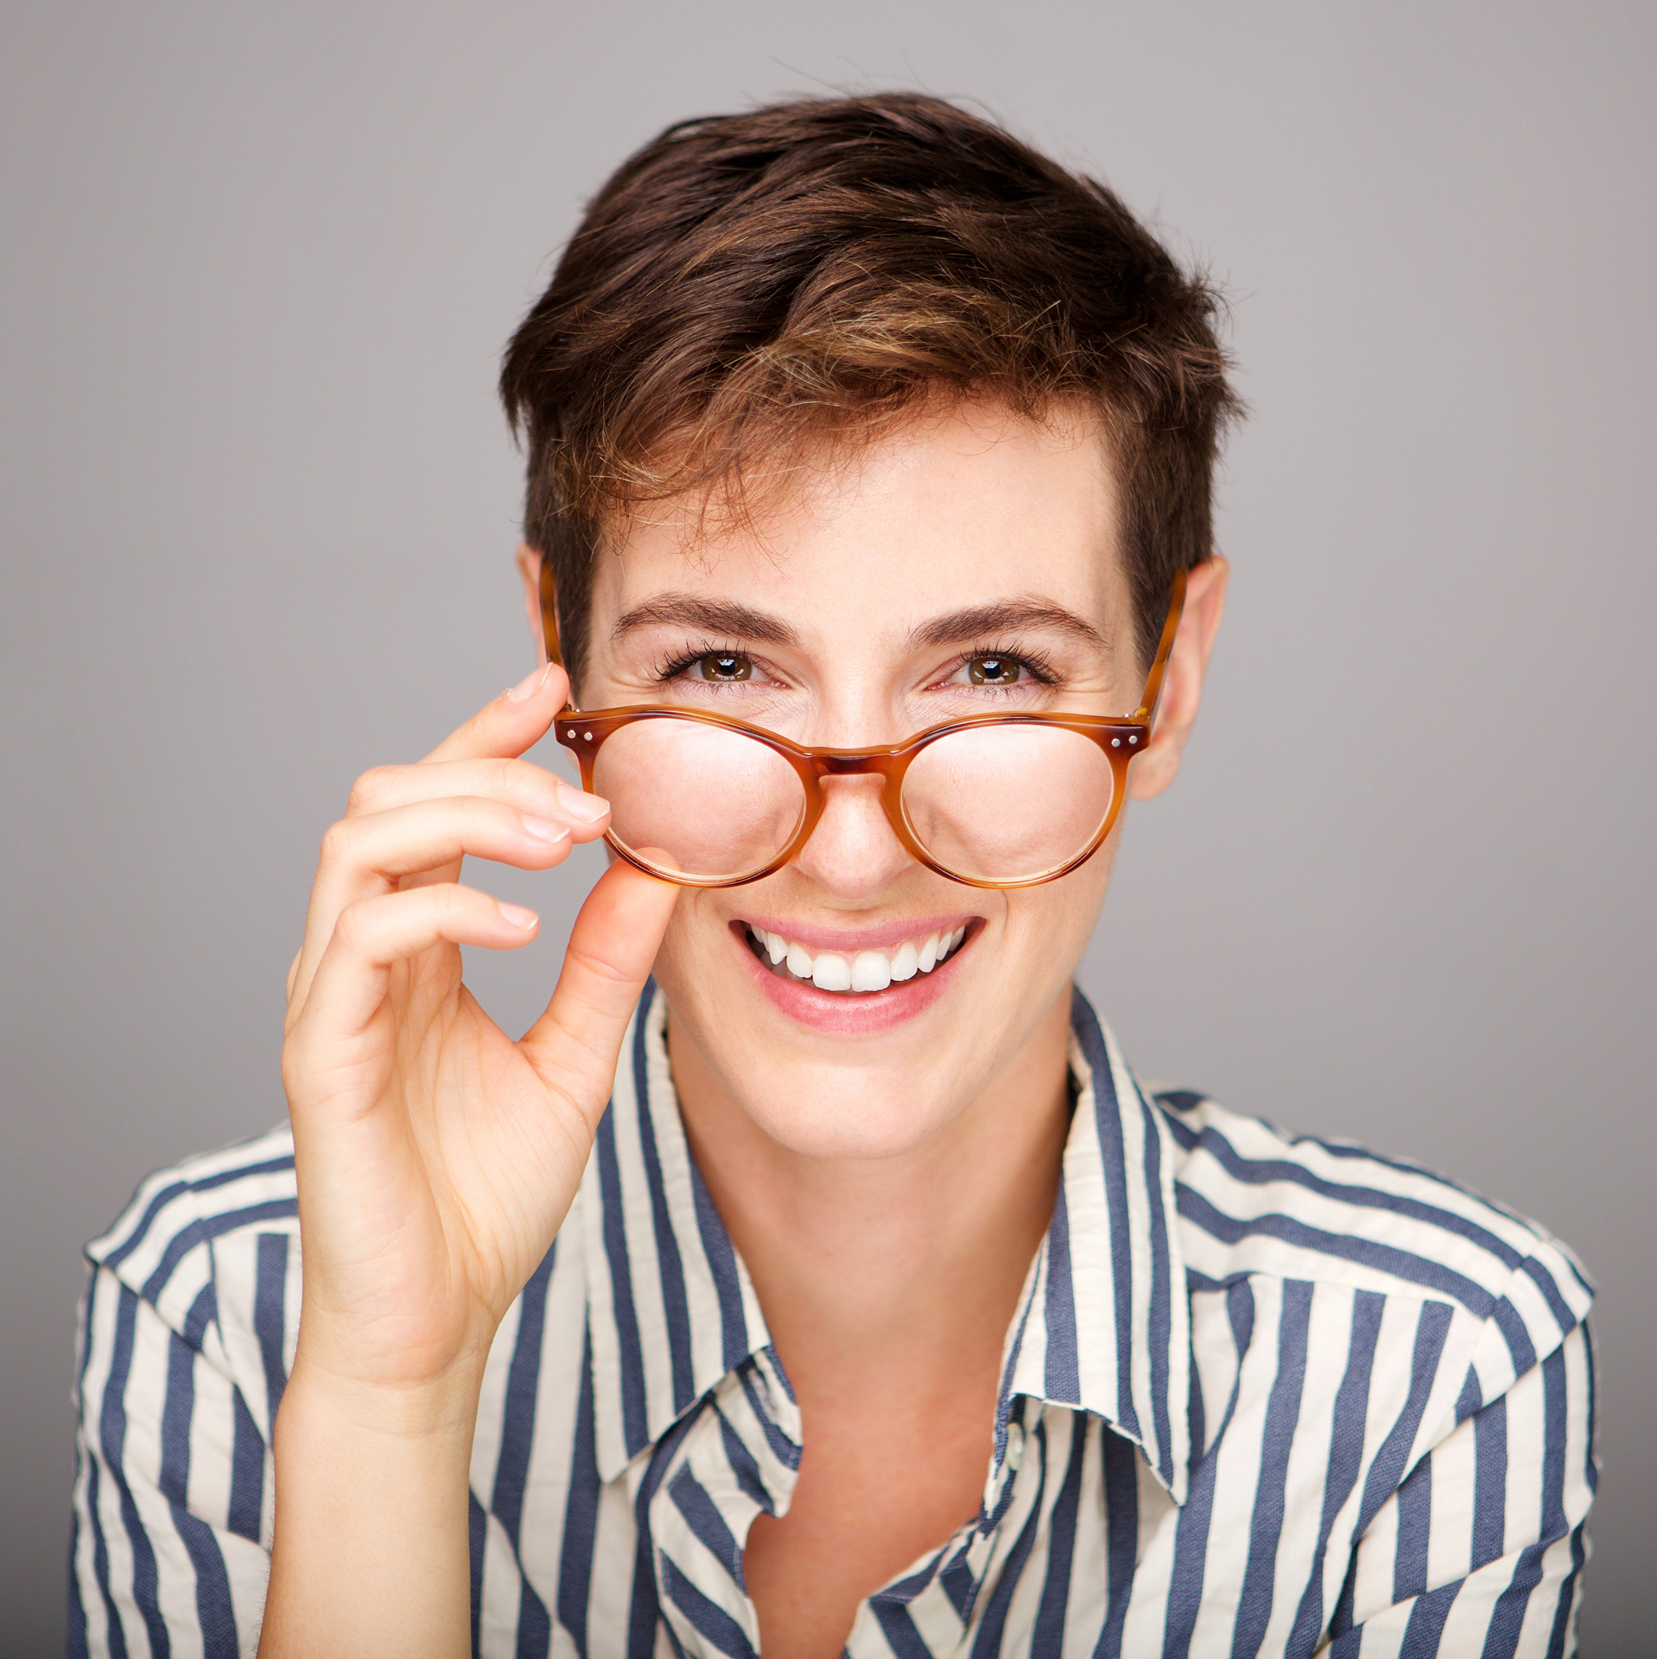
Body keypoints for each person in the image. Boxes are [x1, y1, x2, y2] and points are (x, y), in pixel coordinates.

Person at [68, 93, 1596, 1658]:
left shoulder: (1429, 1361)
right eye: (723, 667)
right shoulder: (235, 1314)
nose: (852, 855)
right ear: (556, 654)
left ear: (1173, 680)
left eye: (993, 670)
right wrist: (390, 1402)